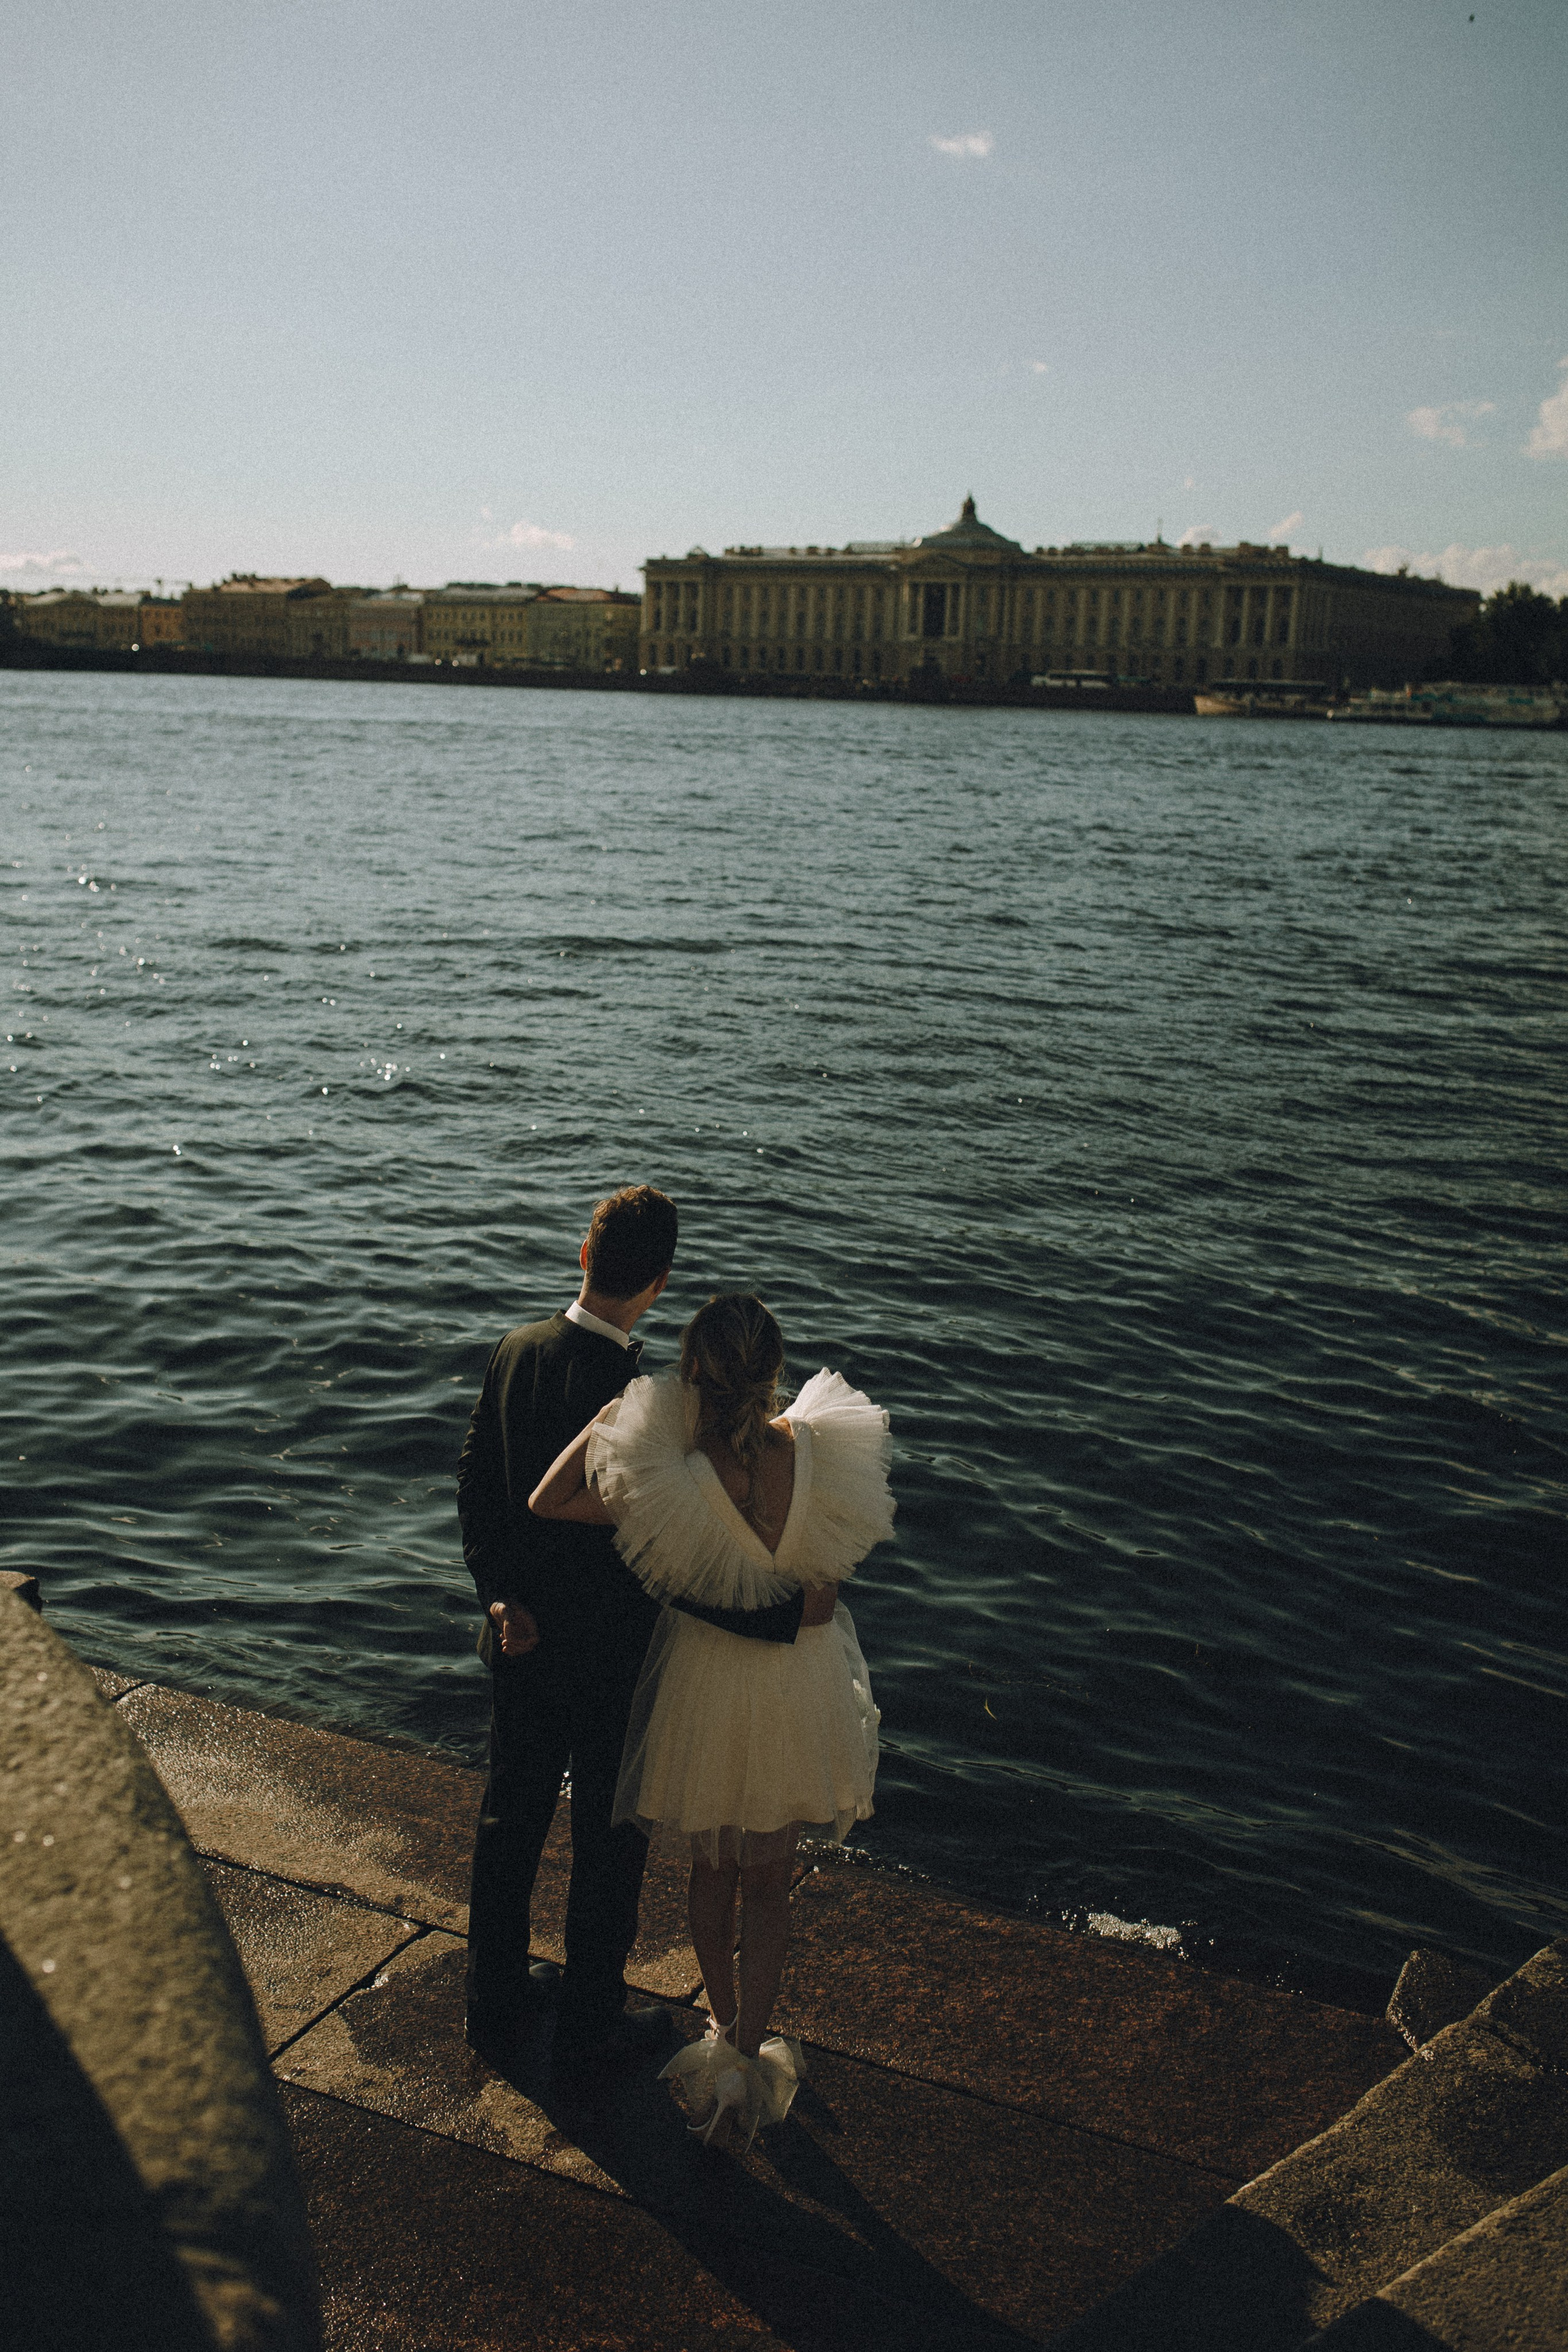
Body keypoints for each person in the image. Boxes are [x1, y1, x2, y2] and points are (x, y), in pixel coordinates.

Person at [457, 1191, 828, 2065]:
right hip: (611, 1661)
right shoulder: (647, 1406)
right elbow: (666, 1558)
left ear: (583, 1253)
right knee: (608, 1842)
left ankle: (493, 1997)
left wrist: (499, 1597)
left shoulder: (516, 1351)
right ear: (659, 1285)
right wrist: (779, 1616)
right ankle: (590, 2017)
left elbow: (478, 1486)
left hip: (519, 1641)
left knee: (508, 1821)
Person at [529, 1292, 894, 2144]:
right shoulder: (819, 1451)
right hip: (795, 1690)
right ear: (773, 1372)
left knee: (711, 1875)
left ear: (693, 1371)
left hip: (704, 1690)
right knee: (770, 1883)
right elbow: (816, 1610)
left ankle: (723, 2035)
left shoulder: (675, 1481)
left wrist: (616, 1416)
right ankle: (750, 2050)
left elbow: (551, 1499)